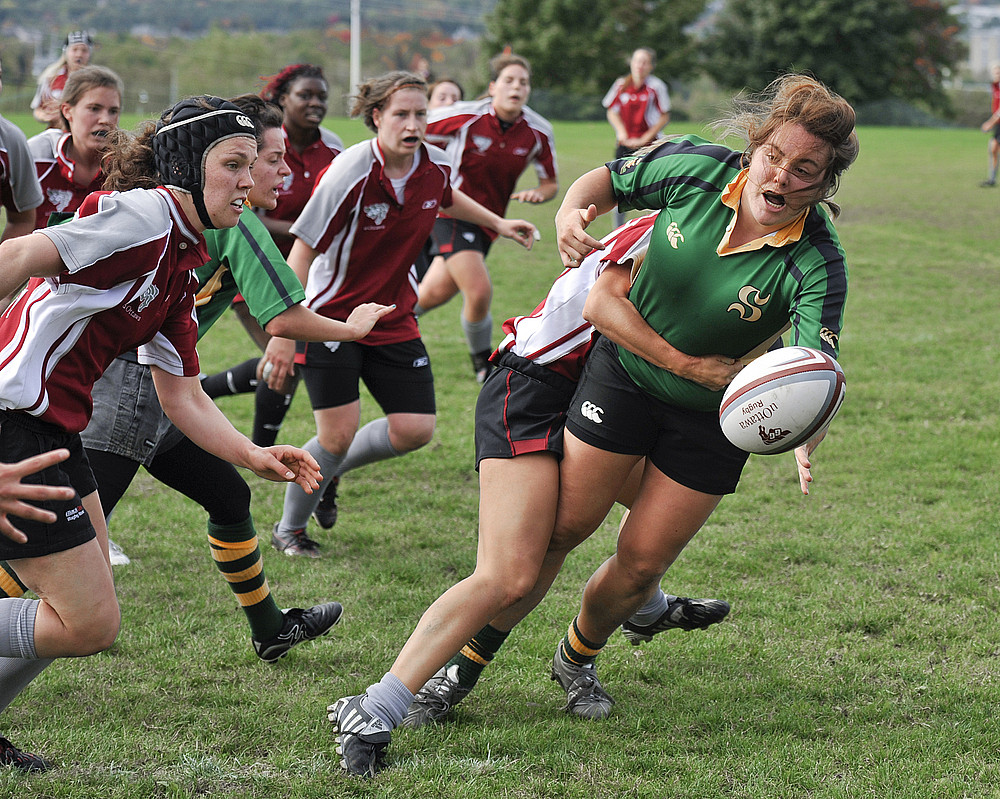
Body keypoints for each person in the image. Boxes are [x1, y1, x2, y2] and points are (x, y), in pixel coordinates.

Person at [326, 213, 732, 777]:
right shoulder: (682, 231)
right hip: (535, 385)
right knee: (509, 572)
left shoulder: (724, 241)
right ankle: (374, 709)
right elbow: (610, 297)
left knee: (646, 522)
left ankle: (646, 603)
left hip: (606, 397)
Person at [0, 95, 392, 660]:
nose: (249, 178)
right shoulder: (143, 217)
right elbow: (18, 255)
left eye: (250, 163)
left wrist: (252, 454)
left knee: (81, 608)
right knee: (84, 623)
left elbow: (181, 395)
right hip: (16, 422)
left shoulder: (182, 260)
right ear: (185, 169)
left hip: (55, 431)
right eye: (233, 164)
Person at [524, 74, 856, 725]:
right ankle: (464, 663)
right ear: (752, 151)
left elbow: (819, 364)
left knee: (643, 557)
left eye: (805, 170)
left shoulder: (817, 260)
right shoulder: (697, 168)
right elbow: (606, 180)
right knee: (565, 525)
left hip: (714, 416)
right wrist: (570, 213)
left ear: (822, 186)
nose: (783, 177)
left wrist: (807, 429)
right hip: (622, 374)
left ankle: (576, 657)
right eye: (775, 158)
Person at [270, 70, 538, 558]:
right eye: (402, 114)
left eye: (421, 114)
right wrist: (286, 329)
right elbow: (302, 252)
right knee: (336, 434)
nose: (414, 124)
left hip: (393, 318)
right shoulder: (350, 170)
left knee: (415, 430)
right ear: (377, 118)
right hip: (331, 317)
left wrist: (499, 222)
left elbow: (449, 199)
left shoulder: (432, 165)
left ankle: (330, 472)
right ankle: (289, 529)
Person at [207, 65, 345, 522]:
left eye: (322, 95)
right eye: (272, 161)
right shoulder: (233, 216)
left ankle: (215, 405)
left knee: (226, 499)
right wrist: (355, 329)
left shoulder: (334, 151)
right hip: (257, 275)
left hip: (302, 275)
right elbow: (284, 319)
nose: (283, 170)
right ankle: (289, 459)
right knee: (284, 359)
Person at [417, 53, 558, 383]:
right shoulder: (465, 116)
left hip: (490, 223)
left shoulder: (538, 131)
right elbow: (413, 131)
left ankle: (378, 329)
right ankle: (484, 365)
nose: (516, 87)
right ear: (492, 87)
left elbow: (550, 182)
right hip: (449, 211)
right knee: (478, 291)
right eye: (508, 80)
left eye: (523, 82)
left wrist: (541, 192)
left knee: (432, 294)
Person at [28, 65, 123, 228]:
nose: (105, 119)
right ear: (67, 111)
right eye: (94, 108)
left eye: (113, 111)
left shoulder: (127, 169)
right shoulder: (36, 156)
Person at [602, 47, 671, 227]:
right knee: (617, 189)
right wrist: (622, 132)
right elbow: (611, 111)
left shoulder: (656, 87)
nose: (640, 65)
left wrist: (644, 138)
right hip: (624, 145)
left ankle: (652, 232)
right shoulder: (621, 84)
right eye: (636, 61)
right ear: (631, 63)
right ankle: (617, 233)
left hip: (650, 146)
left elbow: (664, 115)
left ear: (651, 66)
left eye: (644, 62)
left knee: (652, 189)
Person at [31, 31, 93, 129]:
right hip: (56, 136)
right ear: (66, 52)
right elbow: (37, 110)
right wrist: (48, 116)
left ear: (89, 53)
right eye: (75, 49)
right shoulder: (51, 77)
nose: (79, 55)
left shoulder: (96, 81)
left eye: (84, 50)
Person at [979, 63, 1000, 187]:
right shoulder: (994, 86)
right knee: (992, 148)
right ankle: (991, 179)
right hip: (998, 124)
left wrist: (989, 123)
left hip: (997, 122)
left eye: (998, 72)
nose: (996, 74)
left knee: (993, 147)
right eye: (995, 72)